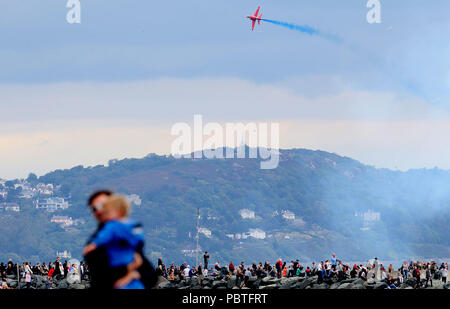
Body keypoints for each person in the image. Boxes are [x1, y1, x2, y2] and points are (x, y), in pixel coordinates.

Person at [84, 190, 158, 289]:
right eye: (94, 208)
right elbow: (102, 277)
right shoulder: (118, 232)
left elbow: (150, 276)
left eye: (104, 205)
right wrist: (130, 270)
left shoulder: (114, 233)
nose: (100, 210)